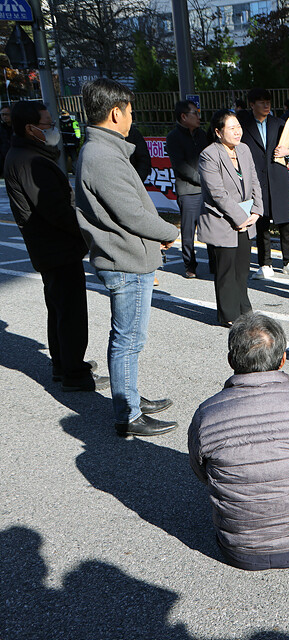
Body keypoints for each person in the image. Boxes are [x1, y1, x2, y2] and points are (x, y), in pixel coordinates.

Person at [188, 313, 289, 571]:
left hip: (239, 551)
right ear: (283, 360)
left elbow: (202, 472)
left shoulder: (206, 414)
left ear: (231, 360)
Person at [74, 78, 179, 437]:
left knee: (129, 338)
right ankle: (128, 414)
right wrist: (170, 233)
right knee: (128, 340)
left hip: (129, 255)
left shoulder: (104, 150)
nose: (132, 118)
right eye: (130, 111)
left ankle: (130, 397)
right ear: (116, 112)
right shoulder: (102, 155)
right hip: (125, 261)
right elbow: (131, 213)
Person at [4, 100, 107, 392]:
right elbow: (56, 211)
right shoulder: (29, 161)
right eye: (47, 125)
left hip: (50, 249)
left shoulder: (26, 154)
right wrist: (87, 230)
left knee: (60, 309)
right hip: (56, 248)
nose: (52, 130)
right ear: (30, 128)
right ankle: (74, 372)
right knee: (70, 312)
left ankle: (65, 363)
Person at [198, 109, 262, 327]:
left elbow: (254, 181)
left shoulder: (244, 149)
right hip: (223, 220)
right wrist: (239, 217)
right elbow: (216, 193)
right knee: (226, 269)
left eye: (239, 127)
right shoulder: (209, 155)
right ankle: (228, 314)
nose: (237, 131)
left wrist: (257, 210)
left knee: (242, 268)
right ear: (218, 132)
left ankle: (244, 308)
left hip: (246, 218)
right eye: (231, 127)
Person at [237, 88, 289, 279]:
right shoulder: (244, 125)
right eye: (261, 102)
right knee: (261, 222)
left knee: (286, 222)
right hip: (256, 179)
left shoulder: (279, 123)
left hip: (278, 177)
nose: (266, 105)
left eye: (268, 102)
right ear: (251, 104)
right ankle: (265, 264)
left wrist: (288, 152)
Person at [166, 100, 207, 279]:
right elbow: (180, 165)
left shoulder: (203, 135)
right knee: (189, 231)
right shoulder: (173, 137)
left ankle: (215, 262)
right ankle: (190, 265)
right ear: (183, 116)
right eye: (195, 113)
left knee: (212, 226)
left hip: (207, 190)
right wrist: (203, 179)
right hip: (188, 191)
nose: (199, 117)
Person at [0, 105, 13, 175]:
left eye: (7, 114)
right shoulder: (1, 128)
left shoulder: (17, 128)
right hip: (4, 157)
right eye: (2, 115)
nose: (4, 117)